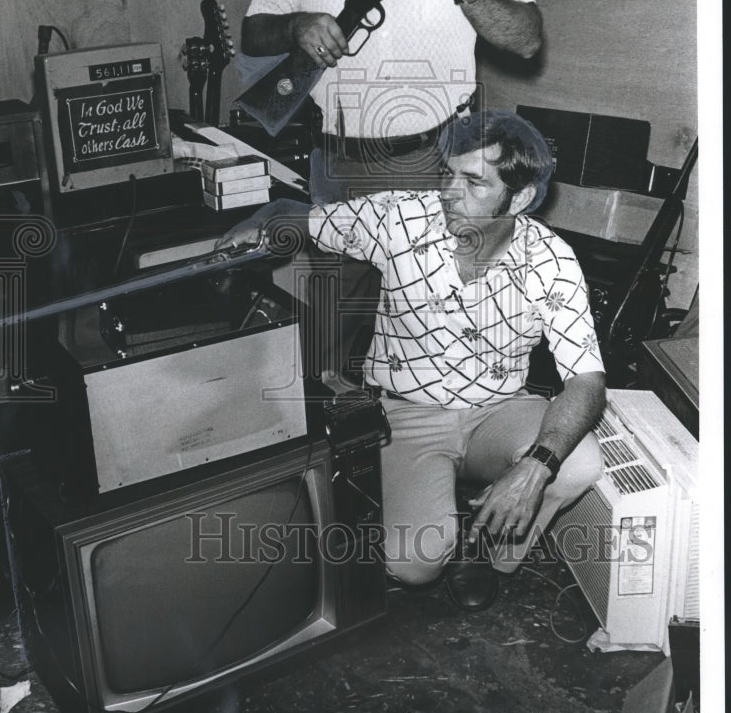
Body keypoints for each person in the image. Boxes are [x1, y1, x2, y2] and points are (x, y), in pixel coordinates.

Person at [217, 110, 605, 610]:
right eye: (447, 172)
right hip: (406, 414)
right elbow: (298, 215)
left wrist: (535, 466)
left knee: (577, 463)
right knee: (412, 563)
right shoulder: (400, 219)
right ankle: (445, 523)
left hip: (498, 411)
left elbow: (587, 382)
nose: (448, 190)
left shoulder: (552, 262)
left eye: (473, 181)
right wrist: (253, 225)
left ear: (522, 197)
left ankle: (491, 540)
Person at [239, 0, 543, 386]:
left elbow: (528, 39)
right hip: (340, 168)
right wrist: (297, 27)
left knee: (436, 342)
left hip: (435, 164)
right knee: (324, 341)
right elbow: (252, 33)